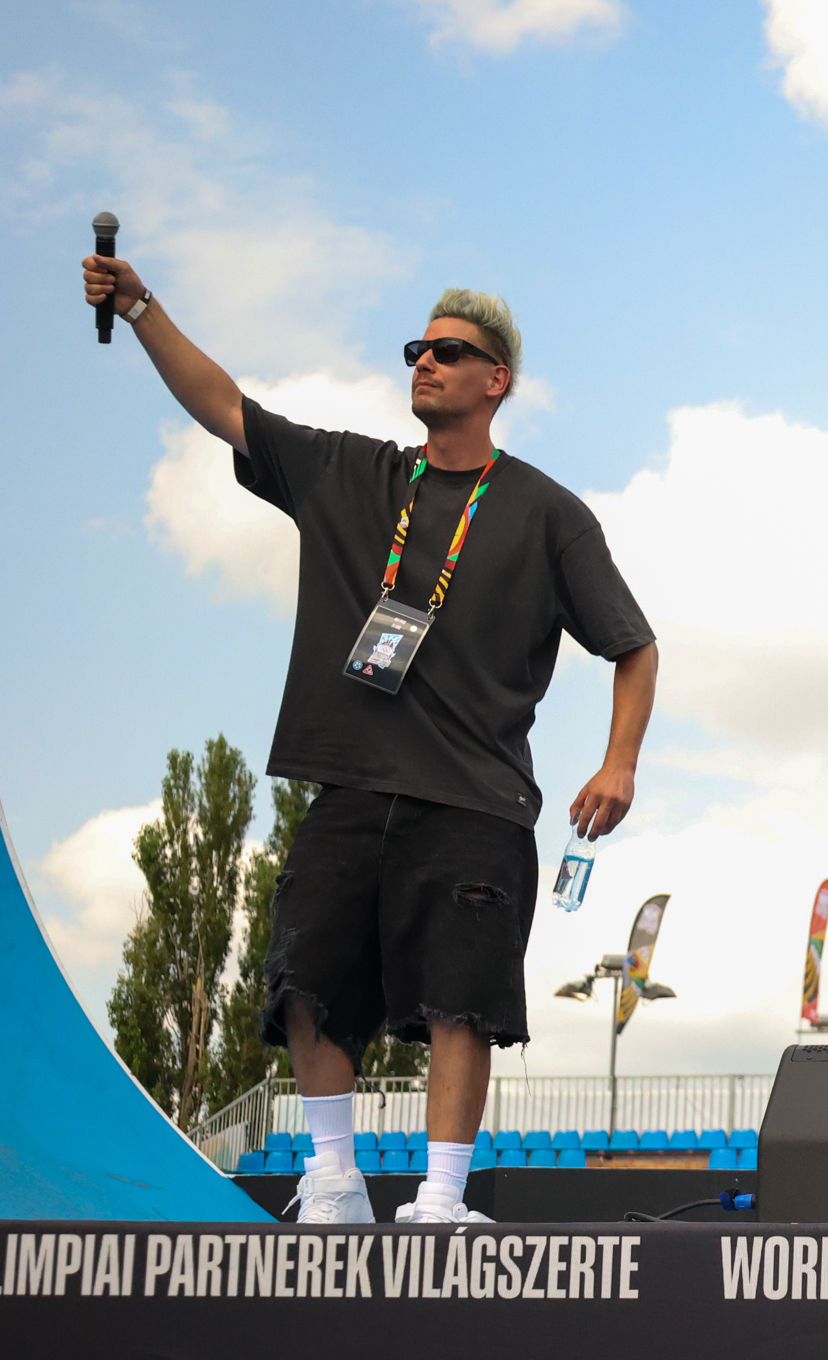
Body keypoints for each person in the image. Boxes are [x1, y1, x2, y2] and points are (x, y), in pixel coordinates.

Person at [83, 254, 658, 1225]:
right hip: (348, 785)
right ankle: (336, 1181)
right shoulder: (352, 473)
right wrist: (141, 308)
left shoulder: (548, 513)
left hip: (476, 796)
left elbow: (633, 645)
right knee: (304, 982)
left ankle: (442, 1198)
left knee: (460, 1003)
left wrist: (618, 763)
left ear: (496, 380)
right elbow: (223, 405)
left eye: (448, 351)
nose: (423, 362)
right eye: (415, 349)